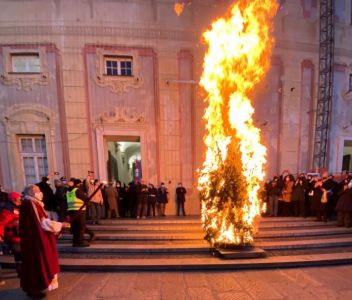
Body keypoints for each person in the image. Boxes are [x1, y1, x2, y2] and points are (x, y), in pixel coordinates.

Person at [20, 184, 69, 298]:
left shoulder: (33, 203)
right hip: (35, 241)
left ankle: (37, 287)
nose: (40, 193)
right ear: (31, 193)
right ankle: (34, 289)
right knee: (37, 264)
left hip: (35, 239)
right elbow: (42, 223)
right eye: (38, 191)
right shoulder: (30, 204)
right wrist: (61, 225)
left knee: (38, 263)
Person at [0, 192, 22, 277]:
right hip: (14, 237)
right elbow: (1, 223)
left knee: (21, 255)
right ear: (14, 199)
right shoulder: (7, 210)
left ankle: (22, 271)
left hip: (20, 236)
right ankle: (21, 272)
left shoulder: (17, 207)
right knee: (19, 256)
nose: (20, 199)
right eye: (19, 197)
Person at [67, 179, 92, 247]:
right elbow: (85, 198)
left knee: (75, 227)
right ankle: (81, 242)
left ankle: (75, 242)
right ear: (78, 184)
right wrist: (88, 203)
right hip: (79, 211)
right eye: (80, 183)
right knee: (81, 226)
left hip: (71, 211)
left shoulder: (68, 191)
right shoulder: (77, 190)